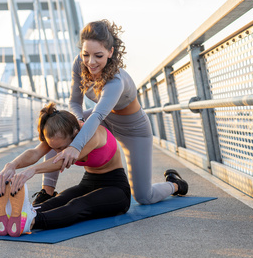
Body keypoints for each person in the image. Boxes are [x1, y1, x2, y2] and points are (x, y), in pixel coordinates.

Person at [32, 19, 188, 206]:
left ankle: (174, 184)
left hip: (133, 129)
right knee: (58, 130)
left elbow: (98, 115)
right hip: (105, 119)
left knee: (144, 197)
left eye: (98, 55)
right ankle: (47, 191)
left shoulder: (116, 81)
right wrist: (78, 121)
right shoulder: (79, 65)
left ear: (110, 52)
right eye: (86, 54)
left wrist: (75, 146)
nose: (91, 62)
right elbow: (74, 101)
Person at [0, 102, 131, 236]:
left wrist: (31, 170)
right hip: (88, 182)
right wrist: (11, 166)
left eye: (61, 148)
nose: (58, 151)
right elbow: (35, 153)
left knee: (78, 204)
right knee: (57, 201)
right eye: (55, 148)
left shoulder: (93, 134)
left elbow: (61, 160)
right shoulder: (62, 135)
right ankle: (19, 214)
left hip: (116, 188)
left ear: (76, 133)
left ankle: (32, 221)